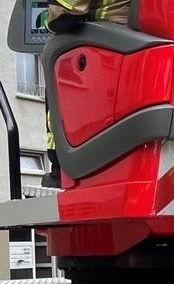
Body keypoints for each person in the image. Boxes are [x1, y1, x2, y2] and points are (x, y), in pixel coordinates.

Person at [40, 0, 131, 188]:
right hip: (130, 40)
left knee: (54, 58)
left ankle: (59, 171)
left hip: (101, 41)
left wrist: (49, 19)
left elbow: (68, 11)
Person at [46, 0, 131, 33]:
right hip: (131, 31)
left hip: (107, 33)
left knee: (53, 46)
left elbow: (62, 14)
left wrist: (48, 26)